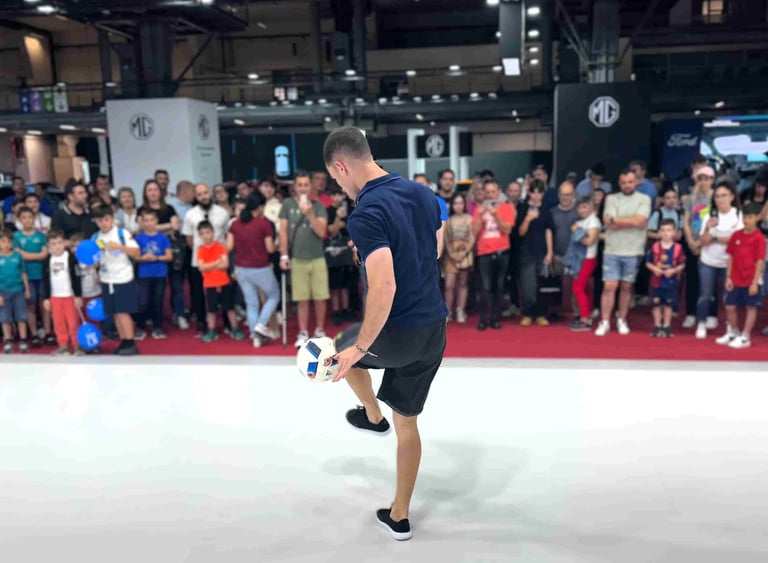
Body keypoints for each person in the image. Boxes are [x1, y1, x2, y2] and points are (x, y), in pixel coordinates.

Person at [324, 126, 447, 542]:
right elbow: (432, 251)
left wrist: (360, 348)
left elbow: (385, 286)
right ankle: (399, 515)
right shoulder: (423, 194)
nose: (340, 186)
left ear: (342, 165)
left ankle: (372, 417)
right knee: (408, 425)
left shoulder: (366, 212)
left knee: (341, 347)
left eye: (336, 178)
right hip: (435, 329)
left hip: (399, 332)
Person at [595, 169, 651, 336]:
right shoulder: (611, 199)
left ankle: (622, 319)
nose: (627, 185)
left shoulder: (645, 199)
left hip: (634, 250)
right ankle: (605, 321)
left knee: (627, 287)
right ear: (619, 184)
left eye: (630, 182)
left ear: (636, 182)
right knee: (609, 286)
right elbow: (608, 221)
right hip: (612, 249)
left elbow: (641, 221)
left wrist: (618, 221)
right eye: (624, 182)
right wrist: (632, 221)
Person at [279, 170, 330, 348]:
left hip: (317, 258)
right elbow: (283, 231)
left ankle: (319, 330)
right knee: (302, 298)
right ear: (295, 186)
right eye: (299, 185)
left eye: (305, 185)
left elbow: (322, 232)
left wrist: (309, 213)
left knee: (320, 297)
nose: (302, 188)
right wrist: (284, 255)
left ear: (310, 186)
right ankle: (303, 332)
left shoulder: (318, 206)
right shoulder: (286, 204)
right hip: (297, 258)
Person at [227, 192, 280, 346]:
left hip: (241, 268)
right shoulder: (263, 224)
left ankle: (255, 336)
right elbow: (270, 248)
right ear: (260, 207)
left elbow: (229, 246)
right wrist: (278, 245)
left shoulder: (235, 224)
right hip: (260, 267)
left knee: (251, 303)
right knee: (274, 295)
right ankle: (260, 325)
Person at [694, 180, 742, 340]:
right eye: (717, 196)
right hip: (708, 260)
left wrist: (715, 236)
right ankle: (701, 322)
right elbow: (702, 242)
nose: (720, 199)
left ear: (732, 197)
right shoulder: (709, 215)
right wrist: (708, 227)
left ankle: (731, 327)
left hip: (729, 263)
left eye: (724, 195)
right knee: (705, 294)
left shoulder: (738, 214)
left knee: (729, 297)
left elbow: (736, 240)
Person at [182, 183, 231, 337]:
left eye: (205, 193)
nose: (203, 196)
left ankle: (227, 324)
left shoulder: (222, 212)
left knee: (223, 295)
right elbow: (189, 239)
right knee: (198, 294)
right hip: (200, 262)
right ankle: (202, 325)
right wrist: (201, 252)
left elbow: (226, 235)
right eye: (199, 194)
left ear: (210, 193)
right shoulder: (190, 214)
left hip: (220, 261)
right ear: (196, 197)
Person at [715, 203, 766, 348]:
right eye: (745, 217)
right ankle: (734, 331)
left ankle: (745, 336)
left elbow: (760, 261)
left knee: (751, 307)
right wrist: (728, 277)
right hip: (735, 278)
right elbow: (730, 256)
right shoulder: (736, 235)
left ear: (756, 218)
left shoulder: (759, 238)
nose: (746, 220)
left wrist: (755, 282)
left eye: (750, 217)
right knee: (730, 306)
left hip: (751, 279)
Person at [91, 206, 141, 355]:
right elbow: (94, 261)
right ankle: (124, 341)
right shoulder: (95, 237)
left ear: (112, 219)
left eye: (106, 219)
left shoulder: (121, 233)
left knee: (123, 311)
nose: (104, 223)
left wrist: (119, 246)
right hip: (107, 278)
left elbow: (137, 252)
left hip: (123, 277)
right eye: (100, 220)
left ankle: (131, 342)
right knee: (114, 313)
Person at [472, 180, 515, 330]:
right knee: (485, 287)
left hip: (502, 252)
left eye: (493, 192)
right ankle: (483, 318)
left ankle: (495, 318)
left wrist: (496, 216)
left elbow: (508, 230)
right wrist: (480, 217)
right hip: (484, 252)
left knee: (499, 286)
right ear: (484, 193)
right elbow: (474, 232)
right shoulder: (479, 209)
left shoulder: (507, 208)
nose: (490, 195)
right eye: (488, 192)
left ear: (498, 192)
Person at [196, 221, 245, 342]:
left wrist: (209, 265)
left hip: (223, 281)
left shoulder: (220, 247)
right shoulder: (200, 250)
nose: (205, 236)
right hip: (209, 283)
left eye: (208, 232)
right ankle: (211, 330)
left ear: (212, 232)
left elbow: (226, 264)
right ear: (199, 236)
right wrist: (217, 262)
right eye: (202, 234)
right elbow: (201, 267)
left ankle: (234, 328)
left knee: (229, 307)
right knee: (211, 309)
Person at [681, 165, 716, 329]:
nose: (703, 182)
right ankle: (690, 313)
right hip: (692, 243)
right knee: (692, 279)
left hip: (709, 244)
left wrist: (701, 243)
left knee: (709, 281)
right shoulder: (691, 199)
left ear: (712, 180)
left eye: (706, 179)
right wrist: (690, 241)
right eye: (700, 179)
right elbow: (686, 221)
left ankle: (711, 313)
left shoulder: (716, 198)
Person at [517, 179, 553, 327]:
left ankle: (541, 314)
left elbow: (549, 231)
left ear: (543, 194)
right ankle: (527, 313)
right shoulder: (523, 208)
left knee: (542, 286)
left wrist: (550, 252)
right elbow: (520, 232)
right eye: (534, 192)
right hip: (526, 252)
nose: (536, 195)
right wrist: (528, 218)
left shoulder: (546, 209)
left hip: (542, 252)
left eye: (540, 192)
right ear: (529, 192)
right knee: (528, 286)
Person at [41, 230, 82, 355]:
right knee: (58, 323)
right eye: (53, 244)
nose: (57, 246)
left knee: (73, 322)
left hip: (69, 296)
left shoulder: (70, 258)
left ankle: (77, 345)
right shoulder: (47, 261)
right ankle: (63, 345)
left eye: (59, 243)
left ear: (65, 243)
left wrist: (78, 295)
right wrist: (46, 298)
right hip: (55, 297)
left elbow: (76, 278)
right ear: (48, 246)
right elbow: (46, 281)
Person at [13, 206, 48, 348]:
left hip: (42, 274)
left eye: (30, 217)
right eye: (24, 218)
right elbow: (18, 254)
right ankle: (33, 334)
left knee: (44, 305)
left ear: (34, 218)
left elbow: (44, 254)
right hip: (26, 276)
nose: (27, 220)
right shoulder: (16, 237)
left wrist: (27, 255)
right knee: (30, 306)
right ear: (19, 220)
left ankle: (48, 332)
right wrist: (37, 256)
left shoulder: (41, 236)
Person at [134, 208, 172, 340]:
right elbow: (136, 257)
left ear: (156, 221)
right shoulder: (138, 238)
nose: (149, 223)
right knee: (143, 301)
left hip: (160, 274)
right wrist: (144, 258)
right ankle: (140, 326)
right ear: (142, 222)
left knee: (158, 301)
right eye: (146, 221)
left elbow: (169, 256)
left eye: (152, 220)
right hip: (144, 274)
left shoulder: (163, 237)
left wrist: (156, 258)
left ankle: (157, 327)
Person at [646, 219, 686, 338]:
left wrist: (673, 270)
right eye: (663, 230)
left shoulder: (678, 248)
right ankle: (657, 325)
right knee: (656, 304)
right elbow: (647, 262)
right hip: (656, 281)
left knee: (668, 304)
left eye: (669, 230)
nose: (666, 233)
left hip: (671, 281)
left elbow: (683, 264)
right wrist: (654, 269)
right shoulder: (655, 247)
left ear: (674, 232)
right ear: (659, 232)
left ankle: (667, 325)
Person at [325, 185, 358, 326]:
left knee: (346, 282)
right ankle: (336, 310)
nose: (338, 197)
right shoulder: (328, 211)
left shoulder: (351, 209)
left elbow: (353, 227)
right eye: (334, 194)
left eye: (340, 194)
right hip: (333, 250)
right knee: (335, 284)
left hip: (348, 249)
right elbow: (331, 230)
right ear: (331, 196)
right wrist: (338, 218)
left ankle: (346, 309)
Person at [569, 196, 601, 331]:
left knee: (578, 288)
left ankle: (585, 319)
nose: (581, 210)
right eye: (579, 207)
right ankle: (586, 316)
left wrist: (577, 232)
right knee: (582, 288)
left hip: (588, 258)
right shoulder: (583, 221)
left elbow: (590, 241)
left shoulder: (593, 221)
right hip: (580, 259)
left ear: (591, 207)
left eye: (585, 207)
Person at [443, 193, 474, 324]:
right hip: (451, 254)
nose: (458, 206)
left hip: (465, 253)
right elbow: (446, 239)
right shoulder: (448, 220)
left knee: (463, 283)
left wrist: (464, 252)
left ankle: (460, 310)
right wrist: (452, 253)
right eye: (456, 203)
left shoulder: (469, 219)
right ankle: (448, 311)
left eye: (461, 203)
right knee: (449, 285)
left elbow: (472, 237)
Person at [0, 229, 31, 354]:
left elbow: (23, 273)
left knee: (21, 316)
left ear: (12, 243)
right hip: (3, 291)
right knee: (5, 318)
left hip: (18, 290)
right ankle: (8, 340)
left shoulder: (17, 256)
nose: (6, 244)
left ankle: (23, 340)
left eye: (8, 242)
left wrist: (27, 289)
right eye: (3, 241)